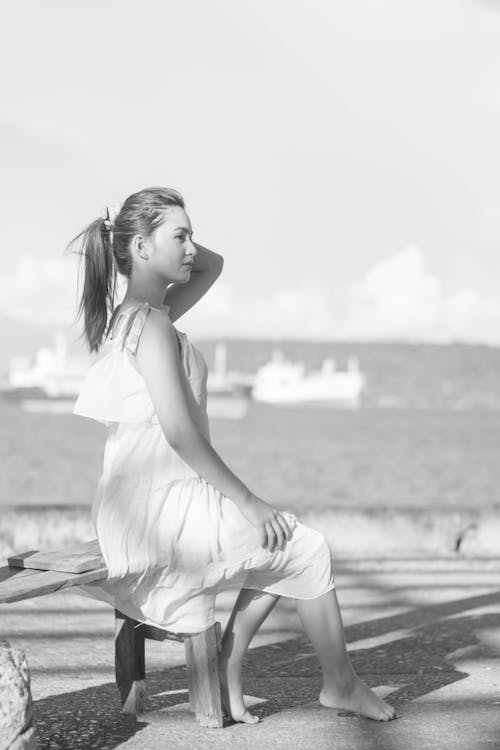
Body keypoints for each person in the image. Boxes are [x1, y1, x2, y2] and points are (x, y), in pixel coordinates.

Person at [70, 186, 397, 723]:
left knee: (282, 543)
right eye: (181, 236)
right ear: (141, 247)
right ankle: (337, 684)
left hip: (139, 501)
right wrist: (247, 501)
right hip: (158, 512)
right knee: (303, 546)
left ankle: (232, 670)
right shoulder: (150, 324)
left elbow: (212, 265)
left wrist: (167, 235)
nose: (194, 247)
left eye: (192, 234)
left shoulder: (142, 313)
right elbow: (179, 433)